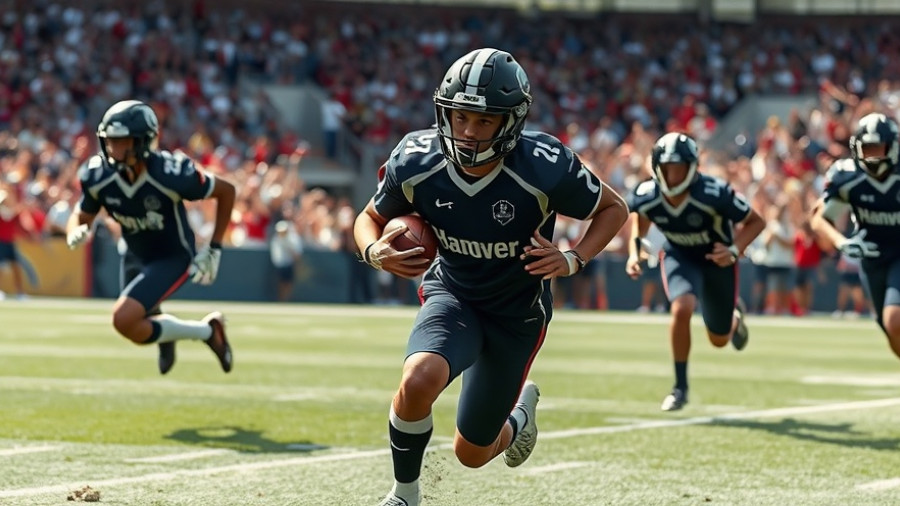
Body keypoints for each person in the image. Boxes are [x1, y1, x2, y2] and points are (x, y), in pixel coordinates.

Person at [353, 48, 628, 506]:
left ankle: (519, 417)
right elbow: (368, 217)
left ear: (511, 122)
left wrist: (574, 257)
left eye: (484, 121)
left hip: (515, 312)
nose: (468, 131)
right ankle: (404, 495)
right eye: (460, 116)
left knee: (472, 452)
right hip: (454, 292)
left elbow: (613, 208)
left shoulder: (543, 164)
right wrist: (373, 251)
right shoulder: (416, 158)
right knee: (418, 379)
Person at [66, 100, 235, 375]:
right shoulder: (98, 175)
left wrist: (215, 247)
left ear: (143, 142)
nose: (113, 149)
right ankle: (200, 331)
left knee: (124, 319)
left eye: (121, 142)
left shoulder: (171, 174)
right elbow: (82, 214)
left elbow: (226, 191)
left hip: (171, 256)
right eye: (110, 141)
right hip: (134, 253)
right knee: (135, 328)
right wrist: (75, 229)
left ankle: (206, 331)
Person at [625, 132, 765, 412]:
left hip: (717, 260)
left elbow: (755, 222)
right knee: (682, 307)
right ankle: (680, 387)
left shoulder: (714, 192)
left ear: (692, 168)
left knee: (719, 339)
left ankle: (733, 320)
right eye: (668, 169)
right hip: (680, 255)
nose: (673, 176)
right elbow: (639, 220)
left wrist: (735, 250)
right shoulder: (647, 193)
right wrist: (635, 250)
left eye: (679, 168)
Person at [811, 112, 900, 356]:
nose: (871, 156)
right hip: (872, 256)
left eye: (877, 149)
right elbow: (819, 218)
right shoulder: (847, 176)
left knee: (895, 319)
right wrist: (841, 242)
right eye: (866, 149)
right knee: (889, 327)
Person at [270, 219, 303, 302]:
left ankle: (286, 300)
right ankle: (281, 300)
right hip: (280, 264)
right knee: (280, 283)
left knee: (289, 283)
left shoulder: (292, 239)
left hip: (289, 263)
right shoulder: (275, 239)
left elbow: (297, 254)